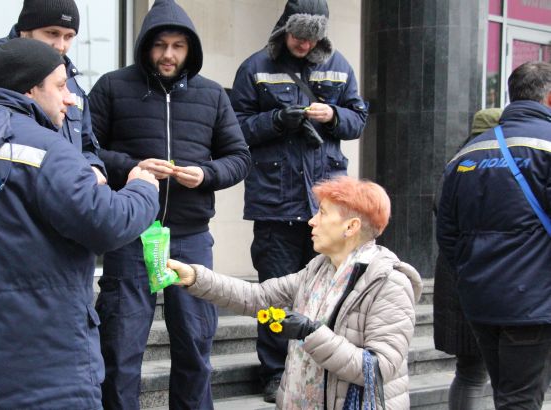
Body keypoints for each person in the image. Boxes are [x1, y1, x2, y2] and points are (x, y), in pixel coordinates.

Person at [0, 38, 160, 408]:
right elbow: (108, 222)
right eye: (60, 86)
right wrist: (143, 187)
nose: (70, 99)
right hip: (49, 375)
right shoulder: (49, 150)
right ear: (30, 89)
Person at [88, 0, 251, 408]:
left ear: (190, 49)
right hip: (129, 236)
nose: (168, 55)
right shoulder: (111, 86)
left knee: (195, 349)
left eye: (178, 46)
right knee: (120, 350)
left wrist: (207, 174)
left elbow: (240, 157)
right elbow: (86, 148)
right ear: (146, 45)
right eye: (161, 44)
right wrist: (132, 168)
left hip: (191, 240)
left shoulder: (213, 95)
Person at [168, 176, 421, 409]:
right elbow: (259, 297)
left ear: (351, 227)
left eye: (322, 213)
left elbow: (377, 369)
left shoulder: (389, 283)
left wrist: (311, 333)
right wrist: (195, 277)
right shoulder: (318, 269)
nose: (312, 220)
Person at [229, 0, 368, 401]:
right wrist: (275, 121)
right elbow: (234, 127)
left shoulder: (339, 63)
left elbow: (359, 118)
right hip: (275, 204)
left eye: (311, 38)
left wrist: (334, 116)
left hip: (328, 205)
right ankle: (274, 372)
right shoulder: (255, 67)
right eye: (297, 36)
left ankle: (319, 363)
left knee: (329, 290)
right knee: (274, 289)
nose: (303, 44)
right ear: (283, 29)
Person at [437, 61, 551, 410]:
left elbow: (447, 234)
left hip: (480, 301)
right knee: (519, 400)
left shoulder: (465, 154)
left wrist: (476, 274)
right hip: (532, 303)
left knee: (507, 395)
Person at [0, 0, 106, 184]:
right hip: (15, 205)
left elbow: (86, 145)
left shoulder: (69, 80)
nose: (60, 45)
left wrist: (93, 168)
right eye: (52, 33)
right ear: (25, 31)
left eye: (69, 36)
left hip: (63, 201)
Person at [432, 108, 502, 410]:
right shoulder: (499, 167)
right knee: (494, 376)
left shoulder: (456, 163)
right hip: (491, 279)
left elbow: (443, 223)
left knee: (470, 372)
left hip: (457, 279)